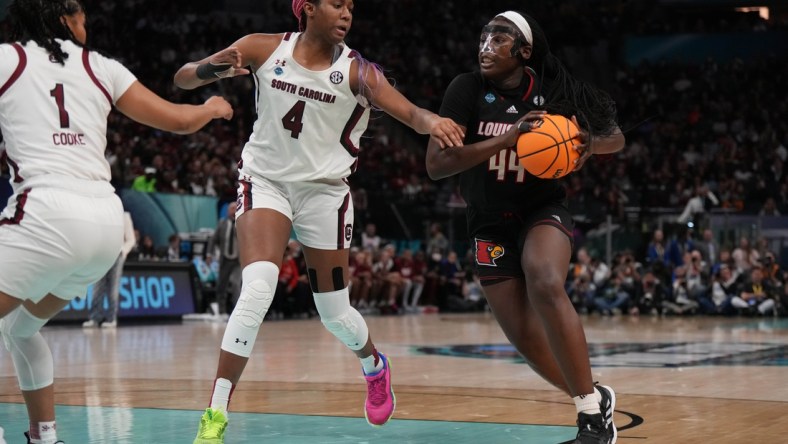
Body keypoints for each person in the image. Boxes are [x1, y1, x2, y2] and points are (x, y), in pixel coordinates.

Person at [172, 1, 464, 442]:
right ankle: (214, 416)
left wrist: (434, 120)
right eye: (336, 4)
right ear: (306, 9)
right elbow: (184, 77)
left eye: (351, 6)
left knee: (335, 314)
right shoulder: (262, 48)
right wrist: (213, 70)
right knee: (257, 289)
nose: (347, 13)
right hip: (266, 181)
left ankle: (374, 365)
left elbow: (410, 114)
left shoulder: (359, 73)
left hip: (325, 193)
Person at [0, 1, 233, 444]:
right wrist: (212, 108)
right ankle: (44, 437)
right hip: (105, 227)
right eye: (82, 15)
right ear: (64, 18)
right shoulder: (102, 67)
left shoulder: (7, 58)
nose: (87, 22)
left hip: (46, 214)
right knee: (19, 329)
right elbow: (179, 120)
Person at [425, 10, 624, 444]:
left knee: (545, 278)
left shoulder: (553, 90)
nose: (486, 47)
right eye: (482, 39)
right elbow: (437, 165)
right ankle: (595, 396)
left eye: (498, 40)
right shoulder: (466, 89)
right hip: (488, 223)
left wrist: (589, 143)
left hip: (540, 209)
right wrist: (504, 139)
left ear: (525, 51)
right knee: (527, 342)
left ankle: (590, 418)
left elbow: (616, 137)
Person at [82, 212, 136, 329]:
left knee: (113, 287)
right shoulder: (101, 214)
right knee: (97, 287)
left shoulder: (124, 216)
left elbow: (131, 239)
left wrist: (123, 251)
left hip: (116, 255)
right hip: (101, 254)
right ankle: (95, 318)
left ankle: (111, 319)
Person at [207, 203, 241, 317]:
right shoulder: (222, 223)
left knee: (236, 284)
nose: (233, 210)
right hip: (225, 259)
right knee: (222, 284)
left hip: (238, 259)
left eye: (236, 208)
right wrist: (209, 254)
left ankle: (237, 311)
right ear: (227, 211)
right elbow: (213, 240)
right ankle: (221, 311)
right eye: (231, 208)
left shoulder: (242, 223)